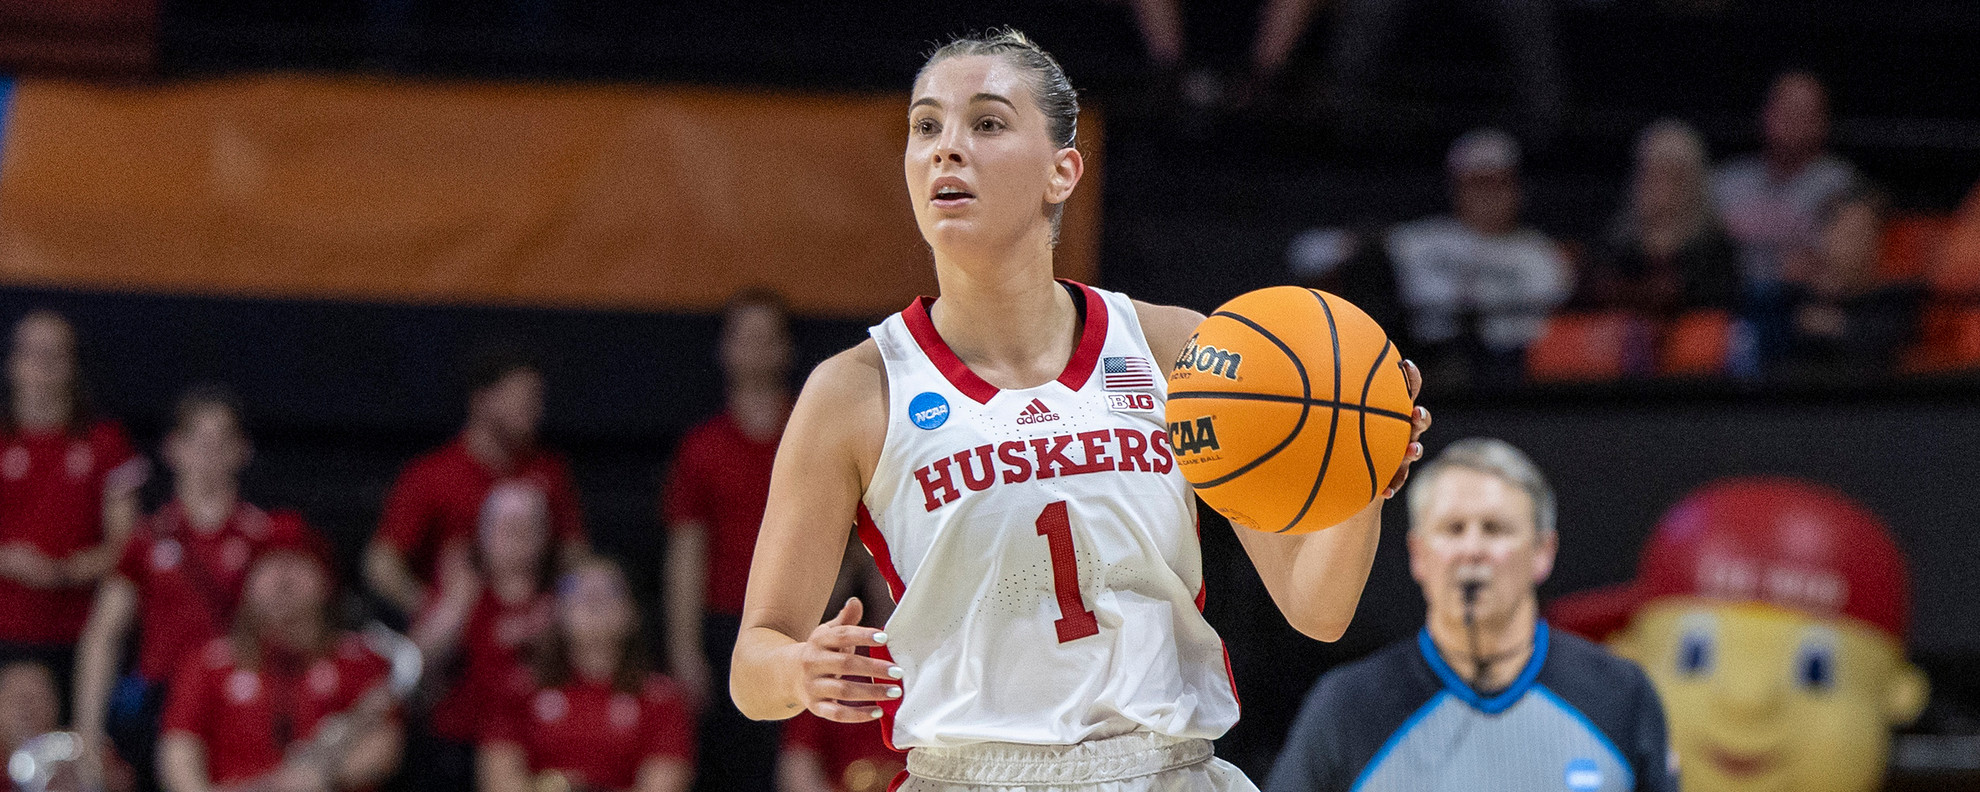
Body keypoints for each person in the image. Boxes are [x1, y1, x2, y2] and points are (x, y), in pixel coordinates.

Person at [731, 29, 1429, 792]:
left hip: (1164, 769)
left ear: (1062, 172)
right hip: (967, 774)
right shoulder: (856, 389)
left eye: (987, 123)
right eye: (925, 126)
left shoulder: (1178, 349)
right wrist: (799, 671)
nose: (946, 149)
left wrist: (1363, 469)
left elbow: (1315, 610)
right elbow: (752, 663)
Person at [1265, 438, 1674, 792]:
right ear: (1418, 555)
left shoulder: (1622, 695)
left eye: (1495, 529)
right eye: (1453, 529)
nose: (1472, 550)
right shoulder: (1346, 706)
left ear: (1543, 552)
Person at [73, 386, 318, 792]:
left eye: (222, 441)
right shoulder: (146, 538)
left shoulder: (270, 534)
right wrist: (87, 732)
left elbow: (306, 623)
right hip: (160, 702)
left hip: (241, 701)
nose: (209, 454)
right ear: (173, 449)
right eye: (198, 441)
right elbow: (104, 633)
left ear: (243, 451)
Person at [660, 289, 795, 791]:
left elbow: (856, 534)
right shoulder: (702, 448)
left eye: (768, 338)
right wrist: (684, 648)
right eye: (746, 337)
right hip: (726, 629)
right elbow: (686, 554)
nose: (757, 350)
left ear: (786, 349)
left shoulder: (812, 432)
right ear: (724, 349)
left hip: (805, 624)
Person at [158, 540, 404, 792]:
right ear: (247, 584)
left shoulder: (360, 659)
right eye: (269, 564)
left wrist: (320, 777)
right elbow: (179, 752)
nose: (283, 578)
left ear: (326, 581)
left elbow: (384, 748)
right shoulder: (207, 663)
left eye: (298, 563)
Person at [365, 347, 586, 620]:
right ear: (482, 399)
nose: (532, 411)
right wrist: (433, 610)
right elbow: (381, 563)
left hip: (532, 628)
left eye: (536, 401)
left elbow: (574, 555)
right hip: (457, 634)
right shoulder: (431, 475)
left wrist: (557, 610)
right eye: (520, 399)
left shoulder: (549, 470)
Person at [0, 310, 147, 717]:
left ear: (73, 365)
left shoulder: (105, 441)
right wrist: (10, 560)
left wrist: (64, 570)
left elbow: (127, 542)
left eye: (56, 354)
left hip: (79, 634)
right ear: (13, 363)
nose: (43, 364)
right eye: (33, 352)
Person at [478, 558, 695, 792]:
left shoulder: (661, 699)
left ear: (632, 614)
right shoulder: (519, 689)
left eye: (609, 590)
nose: (592, 597)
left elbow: (663, 785)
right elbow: (498, 784)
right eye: (576, 588)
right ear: (556, 611)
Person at [1386, 129, 1571, 388]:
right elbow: (1316, 250)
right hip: (1430, 367)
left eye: (1498, 183)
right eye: (1477, 183)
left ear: (1516, 189)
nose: (1487, 195)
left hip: (1515, 374)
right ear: (1456, 187)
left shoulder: (1541, 254)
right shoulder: (1419, 241)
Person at [406, 481, 558, 792]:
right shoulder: (459, 594)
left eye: (527, 524)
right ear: (483, 535)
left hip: (539, 744)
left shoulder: (559, 602)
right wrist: (455, 608)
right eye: (506, 525)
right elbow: (413, 666)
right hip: (459, 746)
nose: (517, 533)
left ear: (544, 536)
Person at [1711, 71, 1859, 367]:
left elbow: (1843, 268)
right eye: (1785, 109)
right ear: (1766, 115)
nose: (1793, 120)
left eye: (1805, 112)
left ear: (1823, 123)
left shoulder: (1840, 184)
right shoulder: (1724, 182)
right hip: (1727, 304)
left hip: (1797, 308)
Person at [1575, 120, 1741, 320]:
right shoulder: (1615, 242)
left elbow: (1714, 306)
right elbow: (1588, 297)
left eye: (1674, 176)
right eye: (1652, 174)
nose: (1661, 187)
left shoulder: (1713, 248)